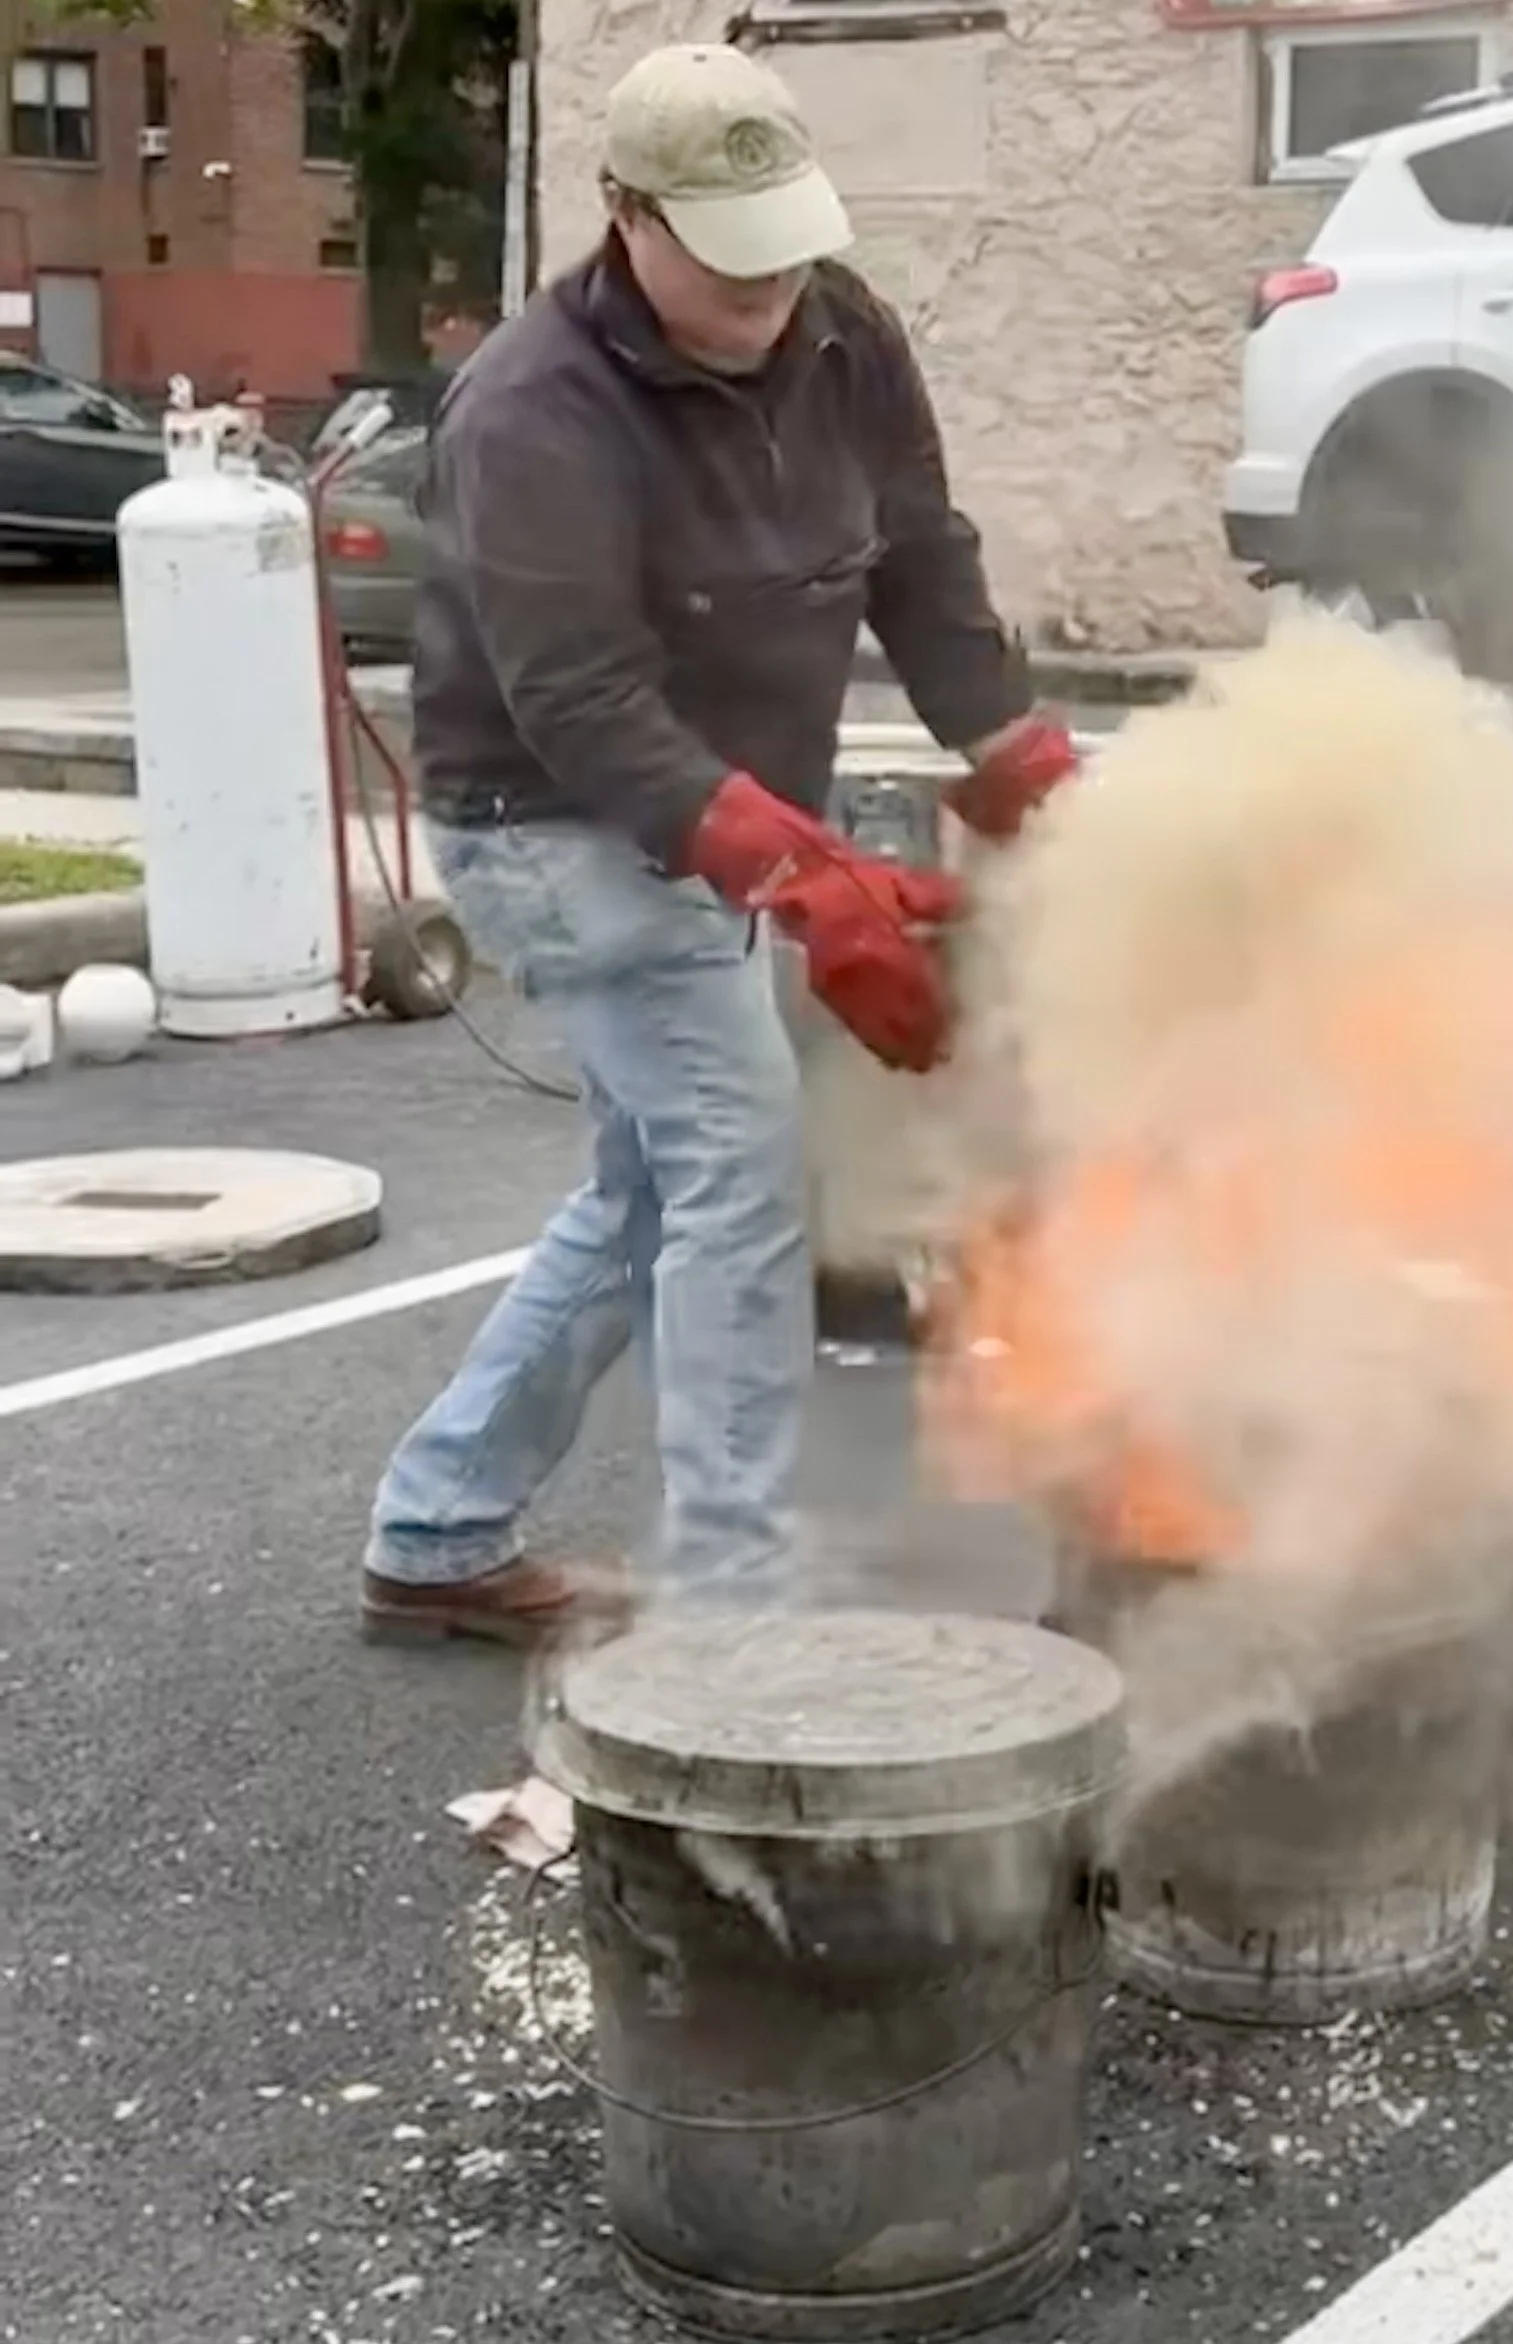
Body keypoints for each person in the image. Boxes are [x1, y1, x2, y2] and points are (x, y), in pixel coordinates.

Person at [360, 42, 1079, 1643]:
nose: (771, 294)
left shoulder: (845, 330)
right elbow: (585, 704)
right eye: (730, 260)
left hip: (724, 824)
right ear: (627, 215)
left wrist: (1014, 748)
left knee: (648, 1190)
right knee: (744, 1170)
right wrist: (810, 879)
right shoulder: (535, 405)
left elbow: (921, 559)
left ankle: (437, 1531)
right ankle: (740, 1617)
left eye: (787, 246)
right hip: (551, 826)